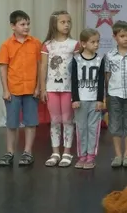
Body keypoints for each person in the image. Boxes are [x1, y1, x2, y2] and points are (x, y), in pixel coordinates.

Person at [0, 10, 42, 167]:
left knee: (31, 122)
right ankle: (9, 152)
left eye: (28, 24)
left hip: (31, 90)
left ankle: (27, 152)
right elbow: (3, 68)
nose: (26, 27)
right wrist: (5, 90)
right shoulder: (6, 45)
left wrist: (38, 87)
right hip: (13, 89)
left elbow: (40, 66)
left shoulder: (36, 43)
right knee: (12, 123)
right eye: (22, 24)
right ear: (13, 26)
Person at [39, 10, 80, 168]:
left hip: (68, 89)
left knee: (67, 120)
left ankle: (67, 152)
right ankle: (55, 152)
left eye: (68, 22)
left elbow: (77, 68)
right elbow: (43, 67)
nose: (66, 25)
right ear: (54, 24)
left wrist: (76, 92)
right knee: (55, 120)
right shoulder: (47, 45)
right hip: (52, 88)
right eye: (63, 22)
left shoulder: (74, 44)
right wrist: (43, 88)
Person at [105, 21, 127, 168]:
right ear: (115, 37)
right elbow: (107, 76)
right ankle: (118, 155)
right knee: (115, 124)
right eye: (122, 36)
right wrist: (107, 94)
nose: (126, 39)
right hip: (114, 94)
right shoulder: (109, 55)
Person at [70, 28, 106, 170]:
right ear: (83, 44)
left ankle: (91, 156)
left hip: (94, 101)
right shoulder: (76, 59)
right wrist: (75, 99)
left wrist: (100, 100)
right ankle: (82, 156)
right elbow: (73, 80)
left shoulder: (100, 59)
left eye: (98, 42)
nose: (96, 44)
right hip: (80, 101)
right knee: (81, 128)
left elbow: (101, 81)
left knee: (93, 129)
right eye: (93, 42)